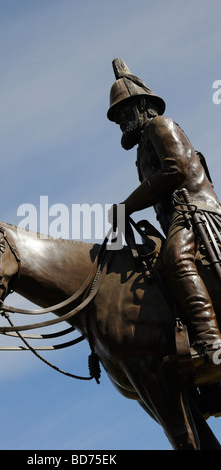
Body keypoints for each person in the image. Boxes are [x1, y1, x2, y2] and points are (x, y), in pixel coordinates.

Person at [107, 58, 221, 415]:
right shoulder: (140, 153)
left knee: (176, 259)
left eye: (125, 112)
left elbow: (176, 169)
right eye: (117, 117)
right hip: (174, 220)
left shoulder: (161, 126)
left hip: (195, 212)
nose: (123, 121)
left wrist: (127, 204)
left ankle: (211, 344)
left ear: (142, 106)